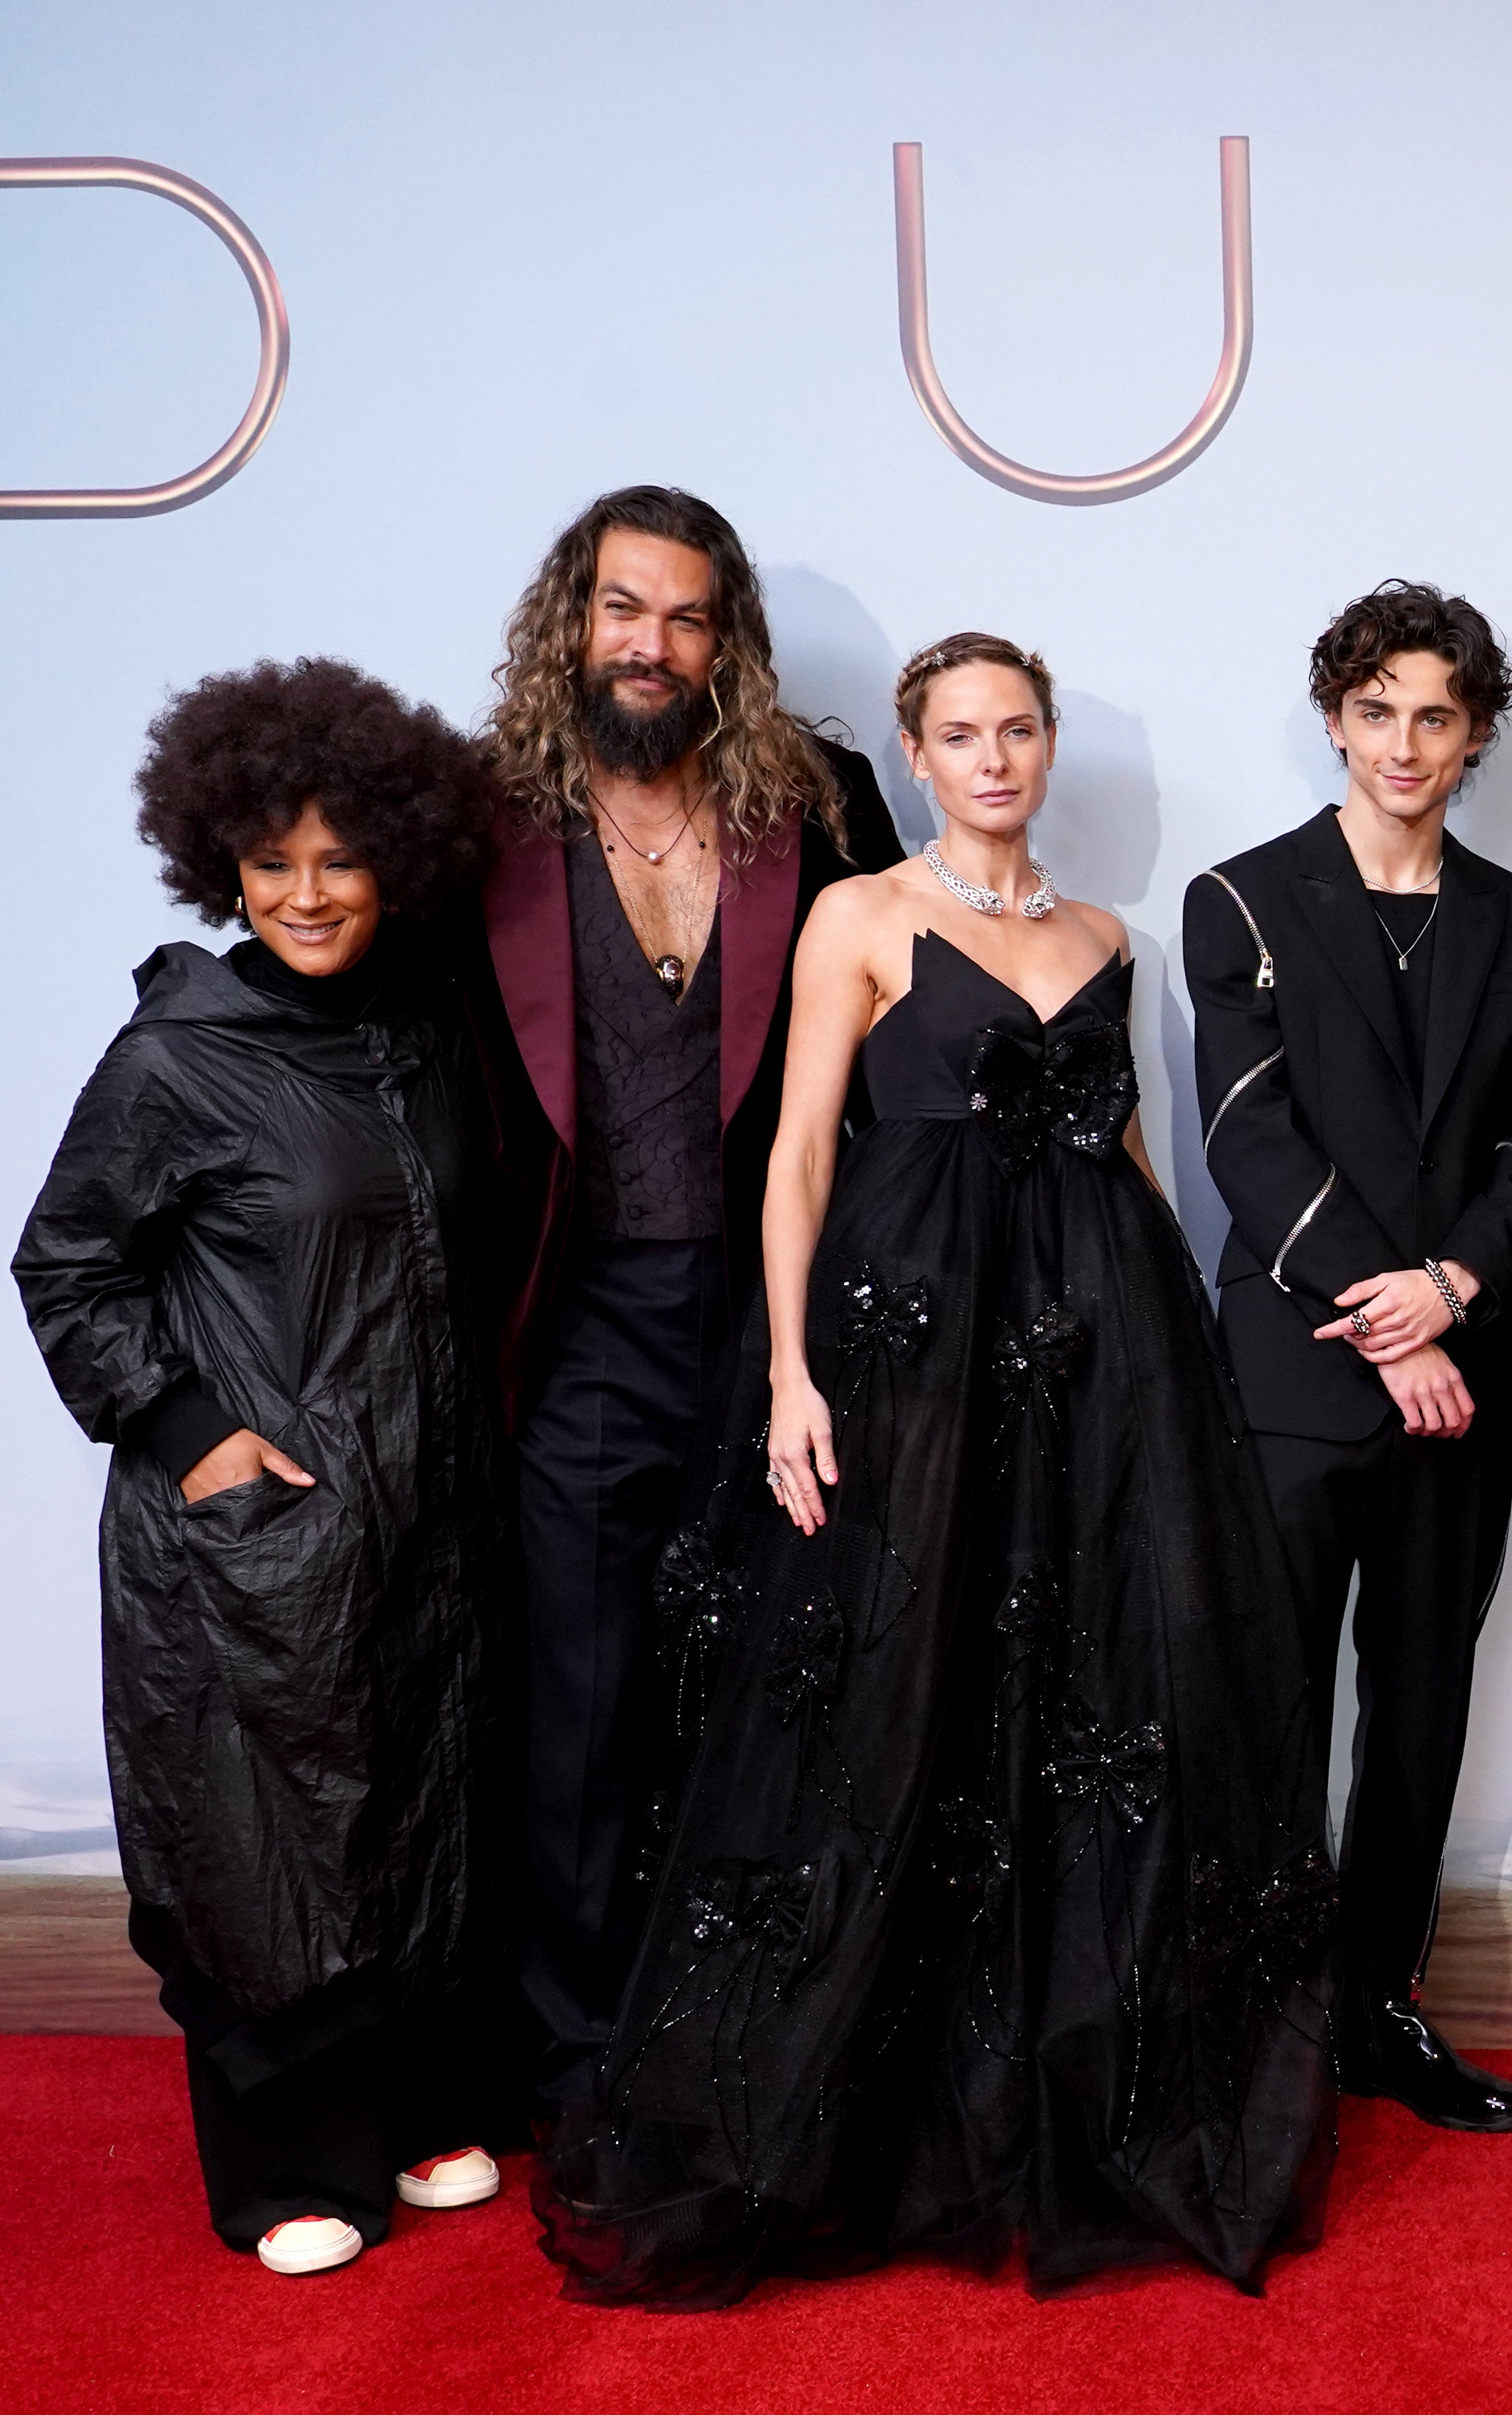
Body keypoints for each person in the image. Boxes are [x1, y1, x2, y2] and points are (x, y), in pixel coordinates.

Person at [534, 633, 1335, 2304]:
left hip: (1097, 1357)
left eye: (1017, 728)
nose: (991, 757)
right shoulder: (862, 917)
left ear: (1047, 746)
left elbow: (1129, 1157)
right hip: (911, 1354)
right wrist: (790, 1374)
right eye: (959, 733)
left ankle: (1059, 2102)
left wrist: (1172, 1357)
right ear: (911, 755)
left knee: (1083, 1711)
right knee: (896, 1705)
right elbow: (801, 1152)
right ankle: (872, 2124)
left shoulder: (1114, 936)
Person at [15, 659, 515, 2275]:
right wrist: (181, 1431)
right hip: (254, 1522)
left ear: (394, 864)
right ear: (217, 862)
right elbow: (65, 1263)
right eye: (272, 862)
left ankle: (418, 2103)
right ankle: (290, 2162)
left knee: (421, 1803)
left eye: (341, 859)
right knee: (263, 1829)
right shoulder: (177, 1051)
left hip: (426, 1498)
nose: (307, 894)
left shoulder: (427, 1022)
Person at [463, 485, 903, 2111]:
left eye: (686, 615)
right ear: (571, 621)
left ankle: (749, 2032)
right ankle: (580, 2054)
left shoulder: (826, 803)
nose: (650, 643)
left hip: (774, 1318)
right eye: (622, 609)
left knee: (770, 1683)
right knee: (579, 1705)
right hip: (569, 1328)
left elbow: (895, 1044)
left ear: (730, 645)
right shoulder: (482, 818)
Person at [1186, 582, 1512, 2134]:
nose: (1403, 742)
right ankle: (1256, 2018)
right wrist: (1383, 1308)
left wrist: (1455, 1285)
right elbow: (1244, 1135)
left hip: (1459, 1370)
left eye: (1435, 714)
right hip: (1296, 1377)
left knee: (1421, 1707)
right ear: (1334, 718)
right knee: (1271, 1701)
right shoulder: (1240, 899)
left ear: (1472, 733)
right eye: (1376, 710)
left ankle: (1376, 2011)